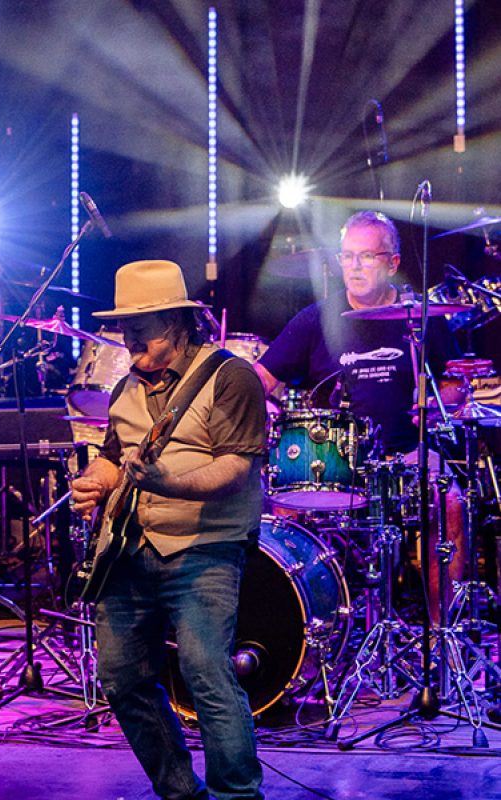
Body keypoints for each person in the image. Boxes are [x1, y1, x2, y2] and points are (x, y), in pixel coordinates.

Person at [71, 260, 267, 800]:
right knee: (120, 676)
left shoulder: (231, 377)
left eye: (143, 325)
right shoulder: (122, 392)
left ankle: (237, 796)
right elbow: (113, 461)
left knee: (206, 669)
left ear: (178, 324)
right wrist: (94, 482)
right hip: (131, 550)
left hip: (205, 547)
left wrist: (167, 482)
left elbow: (236, 468)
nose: (128, 337)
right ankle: (182, 793)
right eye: (124, 327)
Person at [255, 210, 463, 617]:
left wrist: (440, 406)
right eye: (347, 256)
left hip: (407, 454)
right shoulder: (315, 319)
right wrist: (260, 410)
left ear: (392, 263)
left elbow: (455, 384)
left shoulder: (423, 319)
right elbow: (259, 378)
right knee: (284, 509)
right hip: (337, 462)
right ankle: (311, 636)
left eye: (367, 257)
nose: (353, 266)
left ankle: (442, 633)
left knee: (451, 502)